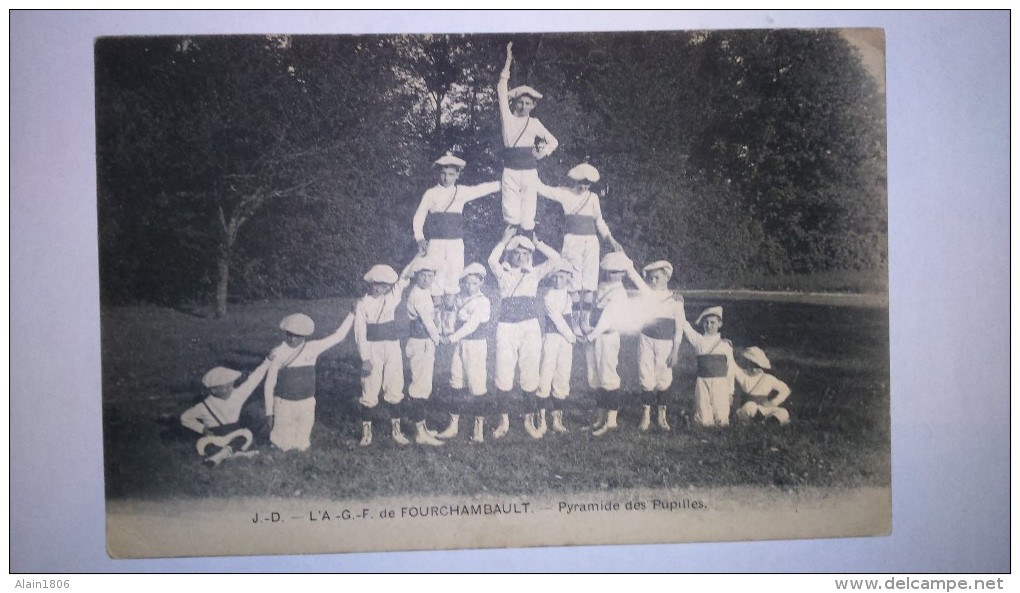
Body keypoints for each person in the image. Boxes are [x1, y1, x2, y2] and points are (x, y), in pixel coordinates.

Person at [412, 154, 500, 333]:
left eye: (451, 174)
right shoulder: (431, 193)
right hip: (436, 243)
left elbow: (481, 189)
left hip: (455, 244)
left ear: (458, 175)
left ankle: (448, 323)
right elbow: (419, 216)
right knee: (436, 280)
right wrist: (420, 237)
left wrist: (504, 182)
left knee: (453, 277)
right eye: (443, 173)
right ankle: (436, 322)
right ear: (438, 173)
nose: (447, 177)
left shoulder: (461, 192)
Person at [487, 226, 562, 439]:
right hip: (506, 326)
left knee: (530, 373)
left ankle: (529, 420)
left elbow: (556, 260)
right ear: (510, 255)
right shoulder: (503, 272)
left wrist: (538, 243)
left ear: (531, 256)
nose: (521, 257)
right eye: (517, 253)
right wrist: (503, 240)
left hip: (530, 327)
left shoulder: (535, 272)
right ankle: (504, 421)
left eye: (526, 253)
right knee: (503, 372)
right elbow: (491, 260)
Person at [536, 163, 622, 335]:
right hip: (572, 241)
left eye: (588, 184)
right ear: (575, 180)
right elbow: (541, 188)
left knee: (589, 283)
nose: (584, 187)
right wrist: (531, 166)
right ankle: (575, 325)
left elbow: (599, 221)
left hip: (591, 242)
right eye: (581, 182)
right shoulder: (564, 193)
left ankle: (585, 323)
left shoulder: (593, 198)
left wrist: (611, 240)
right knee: (574, 283)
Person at [263, 312, 355, 452]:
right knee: (281, 445)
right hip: (284, 403)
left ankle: (300, 453)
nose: (293, 339)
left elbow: (338, 336)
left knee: (302, 444)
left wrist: (352, 314)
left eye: (297, 335)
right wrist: (269, 412)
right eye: (289, 334)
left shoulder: (312, 348)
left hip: (306, 402)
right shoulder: (278, 353)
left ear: (305, 335)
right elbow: (269, 384)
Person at [497, 41, 558, 235]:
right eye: (520, 102)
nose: (523, 107)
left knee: (528, 219)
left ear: (533, 106)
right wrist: (508, 61)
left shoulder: (535, 123)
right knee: (511, 218)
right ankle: (507, 260)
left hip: (530, 172)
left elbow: (554, 141)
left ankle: (527, 259)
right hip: (510, 172)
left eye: (528, 103)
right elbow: (501, 89)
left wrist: (542, 153)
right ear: (513, 102)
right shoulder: (507, 117)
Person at [354, 264, 412, 446]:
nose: (381, 289)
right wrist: (365, 358)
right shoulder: (362, 304)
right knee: (369, 387)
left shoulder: (391, 298)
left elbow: (404, 278)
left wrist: (419, 255)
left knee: (395, 386)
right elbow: (359, 334)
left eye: (386, 286)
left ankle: (396, 430)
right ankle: (367, 433)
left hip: (392, 347)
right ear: (371, 284)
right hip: (372, 348)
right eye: (378, 285)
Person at [436, 263, 492, 443]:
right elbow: (452, 319)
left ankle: (478, 427)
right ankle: (453, 425)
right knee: (456, 380)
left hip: (475, 346)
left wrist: (451, 338)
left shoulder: (483, 301)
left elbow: (471, 325)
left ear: (481, 283)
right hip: (460, 344)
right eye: (467, 283)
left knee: (477, 385)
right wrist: (446, 328)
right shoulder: (460, 298)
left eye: (474, 283)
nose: (470, 287)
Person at [586, 251, 638, 436]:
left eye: (617, 272)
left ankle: (612, 420)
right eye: (609, 271)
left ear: (623, 273)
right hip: (594, 335)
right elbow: (593, 308)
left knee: (608, 375)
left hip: (607, 336)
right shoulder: (602, 286)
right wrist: (587, 328)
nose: (612, 274)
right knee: (595, 376)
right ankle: (600, 416)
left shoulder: (620, 293)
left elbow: (607, 318)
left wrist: (592, 334)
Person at [631, 260, 686, 432]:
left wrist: (675, 350)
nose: (653, 282)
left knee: (663, 377)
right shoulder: (646, 295)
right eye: (651, 278)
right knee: (646, 375)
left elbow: (679, 327)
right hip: (646, 340)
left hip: (665, 343)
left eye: (657, 278)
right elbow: (633, 276)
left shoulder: (675, 300)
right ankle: (646, 414)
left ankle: (662, 415)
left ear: (666, 278)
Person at [181, 363, 269, 467]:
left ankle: (221, 455)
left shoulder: (236, 395)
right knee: (202, 444)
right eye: (225, 388)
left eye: (231, 386)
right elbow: (184, 418)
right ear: (213, 390)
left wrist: (267, 361)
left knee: (246, 434)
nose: (230, 390)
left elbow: (253, 380)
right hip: (215, 438)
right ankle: (235, 454)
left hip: (235, 435)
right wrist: (202, 429)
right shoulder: (203, 406)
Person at [403, 257, 445, 446]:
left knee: (425, 385)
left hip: (425, 342)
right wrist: (439, 339)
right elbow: (427, 322)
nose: (427, 279)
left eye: (430, 276)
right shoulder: (417, 294)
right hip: (420, 343)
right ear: (416, 277)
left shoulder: (425, 292)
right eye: (423, 276)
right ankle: (420, 433)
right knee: (420, 386)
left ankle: (423, 427)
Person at [536, 259, 580, 435]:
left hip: (566, 342)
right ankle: (541, 419)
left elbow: (573, 318)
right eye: (555, 277)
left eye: (562, 277)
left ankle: (556, 418)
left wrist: (573, 334)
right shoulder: (548, 295)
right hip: (553, 337)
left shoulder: (569, 295)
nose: (558, 281)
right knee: (546, 373)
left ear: (568, 278)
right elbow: (557, 318)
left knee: (562, 375)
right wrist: (571, 336)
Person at [680, 306, 737, 427]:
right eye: (706, 323)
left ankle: (721, 421)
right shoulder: (698, 340)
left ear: (719, 324)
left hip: (720, 382)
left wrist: (730, 391)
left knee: (722, 419)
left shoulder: (725, 345)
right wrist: (679, 304)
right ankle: (701, 419)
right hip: (702, 381)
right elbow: (685, 326)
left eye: (713, 322)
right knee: (704, 421)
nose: (709, 326)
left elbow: (731, 369)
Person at [734, 346, 792, 426]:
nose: (754, 369)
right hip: (747, 409)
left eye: (757, 366)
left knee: (783, 412)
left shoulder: (768, 378)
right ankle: (757, 421)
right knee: (750, 406)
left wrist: (773, 403)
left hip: (763, 409)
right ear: (747, 364)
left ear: (762, 367)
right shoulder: (743, 375)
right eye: (752, 365)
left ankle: (768, 422)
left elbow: (785, 390)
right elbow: (733, 368)